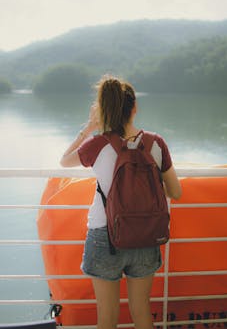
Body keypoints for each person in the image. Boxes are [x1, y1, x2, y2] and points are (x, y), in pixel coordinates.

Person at [60, 75, 182, 329]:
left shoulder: (97, 144)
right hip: (147, 235)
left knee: (107, 316)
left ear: (104, 110)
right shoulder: (156, 143)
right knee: (141, 310)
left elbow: (64, 161)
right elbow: (176, 192)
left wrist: (89, 127)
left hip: (105, 237)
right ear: (135, 108)